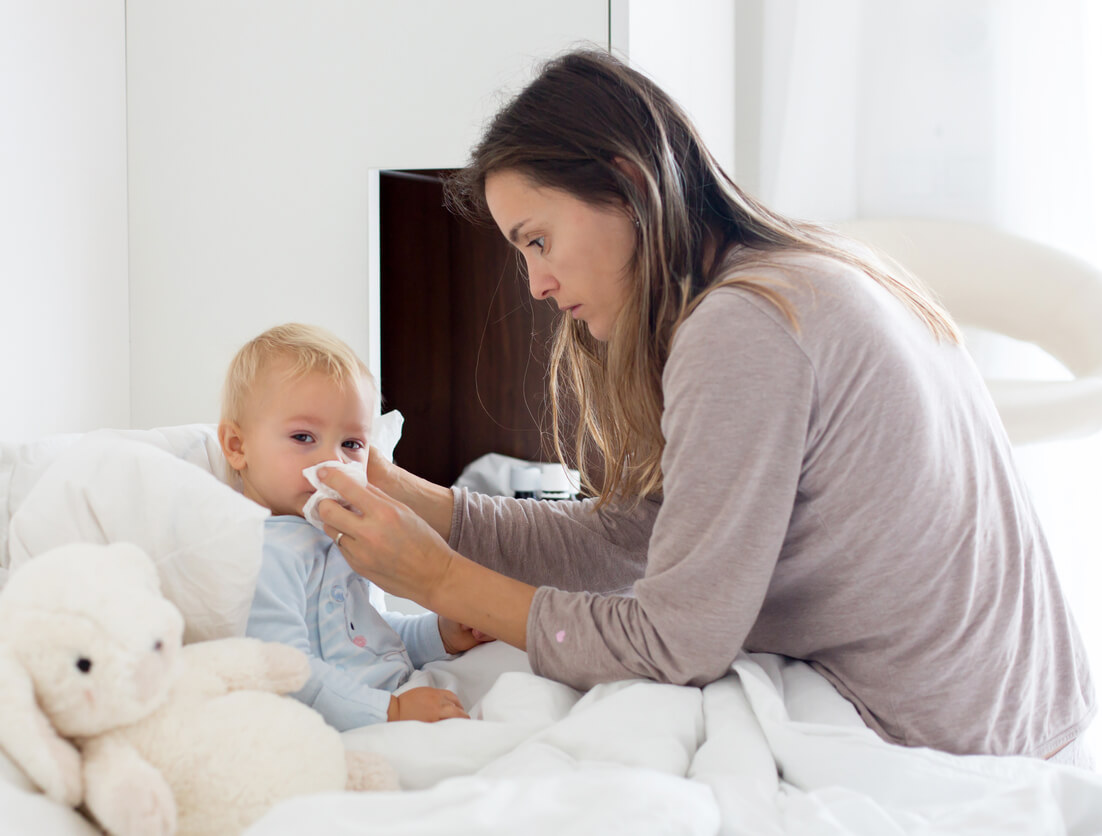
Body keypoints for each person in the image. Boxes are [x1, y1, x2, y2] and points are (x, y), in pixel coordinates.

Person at [314, 49, 1096, 764]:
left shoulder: (743, 327)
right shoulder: (799, 273)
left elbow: (675, 640)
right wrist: (427, 505)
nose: (535, 285)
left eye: (538, 240)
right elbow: (646, 534)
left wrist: (441, 581)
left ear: (627, 183)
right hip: (1023, 716)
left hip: (943, 740)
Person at [218, 323, 483, 730]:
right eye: (303, 436)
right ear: (238, 447)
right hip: (354, 724)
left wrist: (439, 634)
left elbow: (369, 638)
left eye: (351, 444)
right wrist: (391, 712)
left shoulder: (341, 535)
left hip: (402, 695)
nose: (334, 462)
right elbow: (288, 674)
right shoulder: (264, 553)